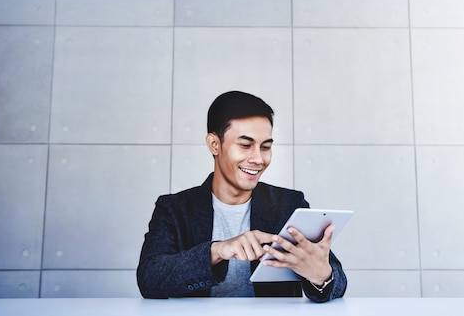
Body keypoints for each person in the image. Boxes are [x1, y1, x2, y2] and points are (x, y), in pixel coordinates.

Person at [137, 91, 347, 302]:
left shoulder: (290, 205)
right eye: (245, 145)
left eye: (265, 147)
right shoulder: (174, 209)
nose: (258, 159)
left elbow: (337, 281)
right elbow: (149, 279)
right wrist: (218, 250)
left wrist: (322, 275)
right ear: (214, 144)